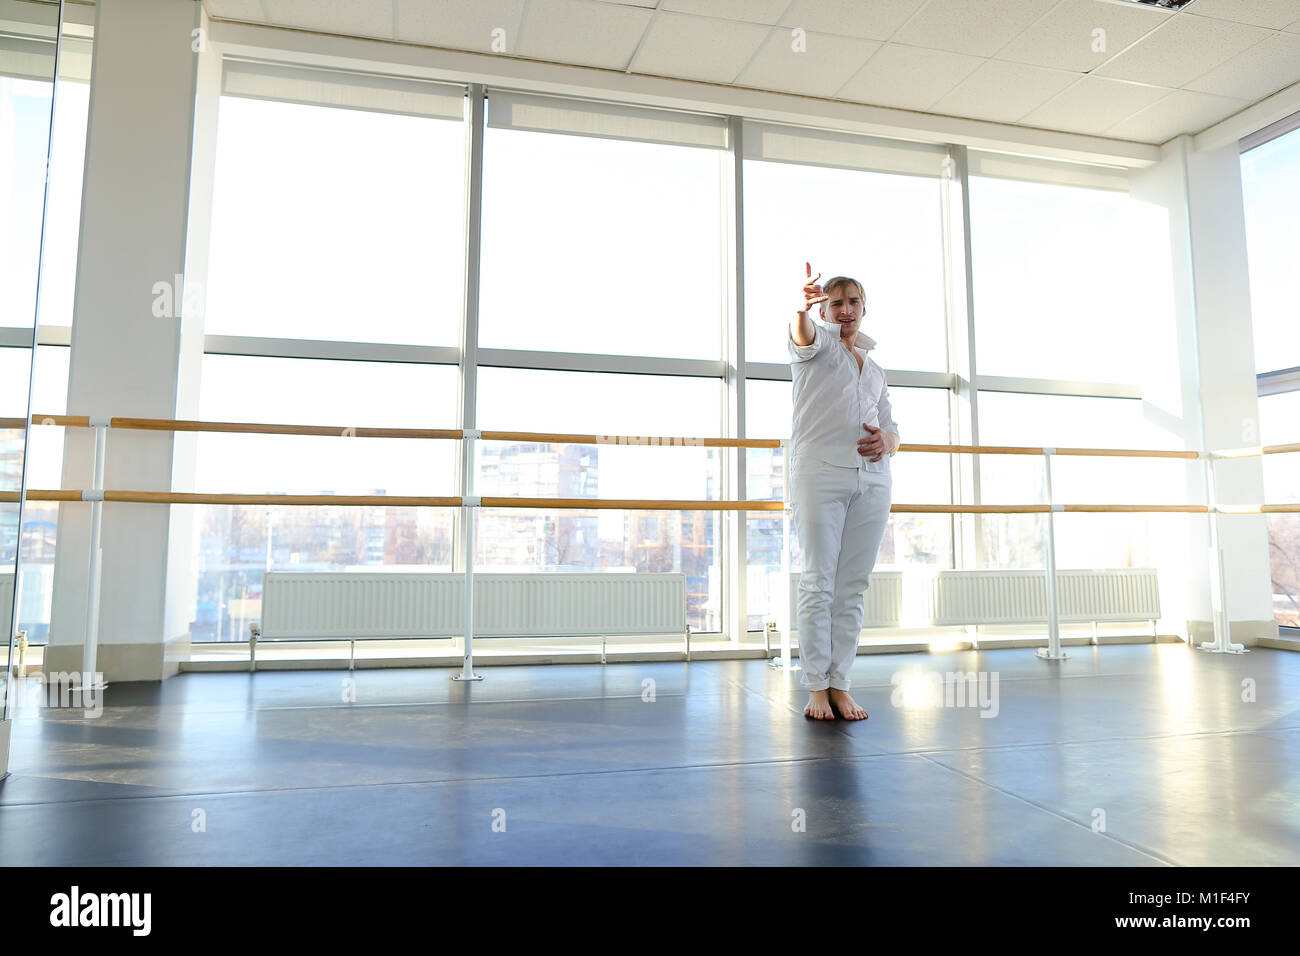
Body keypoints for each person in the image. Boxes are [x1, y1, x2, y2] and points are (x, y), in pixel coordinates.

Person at [788, 263, 899, 721]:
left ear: (864, 309)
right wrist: (802, 309)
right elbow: (802, 333)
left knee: (852, 586)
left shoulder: (874, 369)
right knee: (819, 581)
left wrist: (887, 442)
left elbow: (891, 427)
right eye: (836, 302)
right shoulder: (816, 350)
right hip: (820, 474)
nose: (846, 309)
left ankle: (840, 683)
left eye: (853, 301)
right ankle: (817, 685)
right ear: (825, 310)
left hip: (872, 479)